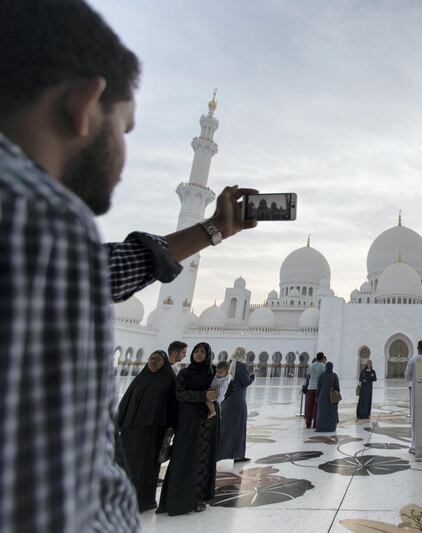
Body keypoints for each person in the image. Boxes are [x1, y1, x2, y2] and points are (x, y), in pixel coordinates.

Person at [0, 3, 256, 531]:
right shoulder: (40, 212)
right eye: (124, 128)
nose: (121, 152)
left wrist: (211, 229)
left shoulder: (36, 244)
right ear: (84, 104)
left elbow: (101, 271)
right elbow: (60, 492)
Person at [157, 343, 220, 515]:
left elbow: (220, 391)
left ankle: (199, 497)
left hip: (208, 419)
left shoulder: (213, 372)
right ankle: (177, 498)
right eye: (196, 351)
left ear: (208, 355)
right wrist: (203, 396)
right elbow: (180, 394)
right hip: (188, 419)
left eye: (203, 352)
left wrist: (213, 397)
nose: (199, 354)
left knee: (203, 458)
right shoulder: (185, 373)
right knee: (183, 455)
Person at [117, 350, 177, 512]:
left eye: (157, 359)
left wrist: (170, 430)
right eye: (151, 359)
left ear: (164, 362)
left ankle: (143, 501)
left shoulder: (169, 380)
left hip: (153, 432)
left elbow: (173, 407)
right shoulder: (141, 378)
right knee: (127, 465)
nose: (153, 362)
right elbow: (126, 401)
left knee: (146, 467)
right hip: (131, 430)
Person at [218, 349, 255, 462]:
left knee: (225, 427)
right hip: (238, 400)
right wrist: (252, 377)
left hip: (227, 399)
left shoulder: (229, 363)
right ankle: (238, 455)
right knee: (239, 427)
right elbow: (246, 382)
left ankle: (217, 453)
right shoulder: (241, 365)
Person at [405, 340, 422, 454]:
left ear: (417, 348)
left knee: (417, 418)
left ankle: (416, 445)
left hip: (417, 393)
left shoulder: (413, 360)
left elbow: (407, 377)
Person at [315, 362, 340, 432]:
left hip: (322, 398)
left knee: (322, 413)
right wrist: (337, 398)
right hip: (331, 399)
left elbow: (318, 387)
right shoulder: (334, 376)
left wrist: (317, 397)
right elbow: (337, 388)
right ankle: (331, 427)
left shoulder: (322, 375)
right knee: (331, 413)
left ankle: (321, 427)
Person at [304, 353, 327, 428]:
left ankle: (308, 424)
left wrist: (312, 378)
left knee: (309, 406)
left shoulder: (311, 365)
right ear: (322, 358)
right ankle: (315, 424)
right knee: (317, 407)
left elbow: (307, 376)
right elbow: (324, 377)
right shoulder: (324, 366)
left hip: (310, 388)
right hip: (318, 389)